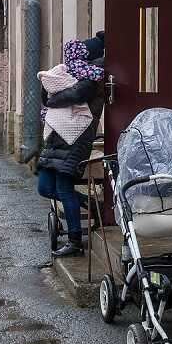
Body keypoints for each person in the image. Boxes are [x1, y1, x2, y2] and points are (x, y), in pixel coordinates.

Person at [37, 31, 105, 257]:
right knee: (45, 187)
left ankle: (75, 241)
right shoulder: (69, 71)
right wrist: (50, 96)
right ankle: (93, 205)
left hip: (76, 136)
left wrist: (52, 98)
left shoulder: (93, 73)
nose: (72, 57)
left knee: (64, 188)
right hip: (57, 136)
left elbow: (75, 95)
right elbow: (46, 96)